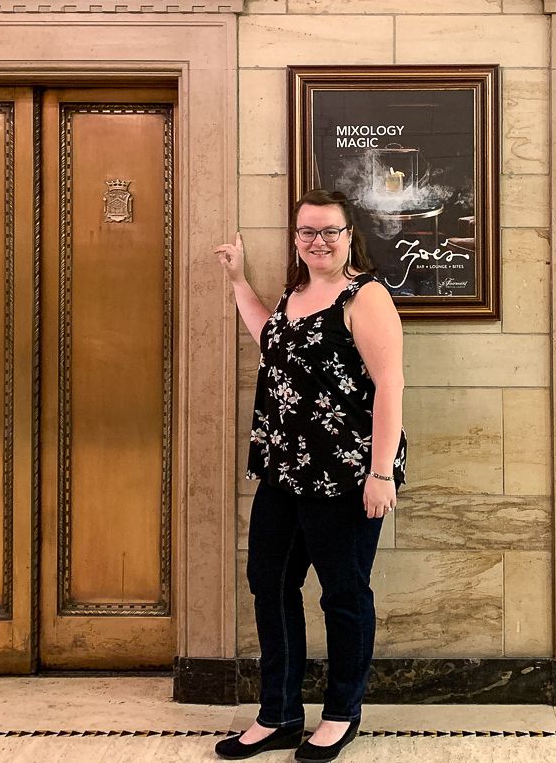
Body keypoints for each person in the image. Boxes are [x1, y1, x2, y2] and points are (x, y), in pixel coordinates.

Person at [213, 189, 407, 762]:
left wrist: (380, 473)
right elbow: (272, 342)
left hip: (346, 473)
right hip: (284, 468)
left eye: (329, 231)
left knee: (343, 593)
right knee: (269, 583)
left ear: (350, 235)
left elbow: (390, 387)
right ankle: (279, 714)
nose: (317, 242)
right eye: (306, 233)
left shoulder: (365, 296)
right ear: (295, 238)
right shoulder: (295, 292)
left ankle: (342, 713)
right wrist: (239, 281)